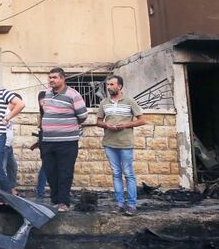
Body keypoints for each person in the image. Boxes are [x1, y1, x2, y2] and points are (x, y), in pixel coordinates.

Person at [96, 74, 146, 216]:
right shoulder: (104, 102)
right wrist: (105, 124)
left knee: (128, 174)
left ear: (120, 86)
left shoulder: (130, 101)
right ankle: (119, 203)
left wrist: (127, 124)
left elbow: (142, 120)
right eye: (108, 85)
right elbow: (98, 121)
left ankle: (131, 205)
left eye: (112, 84)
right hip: (109, 143)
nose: (109, 87)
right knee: (116, 174)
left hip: (125, 143)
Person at [41, 67, 88, 211]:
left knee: (65, 172)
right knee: (50, 171)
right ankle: (55, 200)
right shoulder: (47, 94)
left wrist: (67, 126)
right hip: (48, 141)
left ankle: (64, 202)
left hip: (67, 141)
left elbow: (83, 116)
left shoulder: (73, 95)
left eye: (54, 77)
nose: (51, 80)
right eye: (50, 77)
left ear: (63, 79)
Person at [30, 90, 48, 200]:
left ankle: (41, 192)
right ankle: (40, 193)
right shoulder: (43, 114)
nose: (43, 104)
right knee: (46, 166)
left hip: (49, 138)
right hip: (45, 139)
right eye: (42, 101)